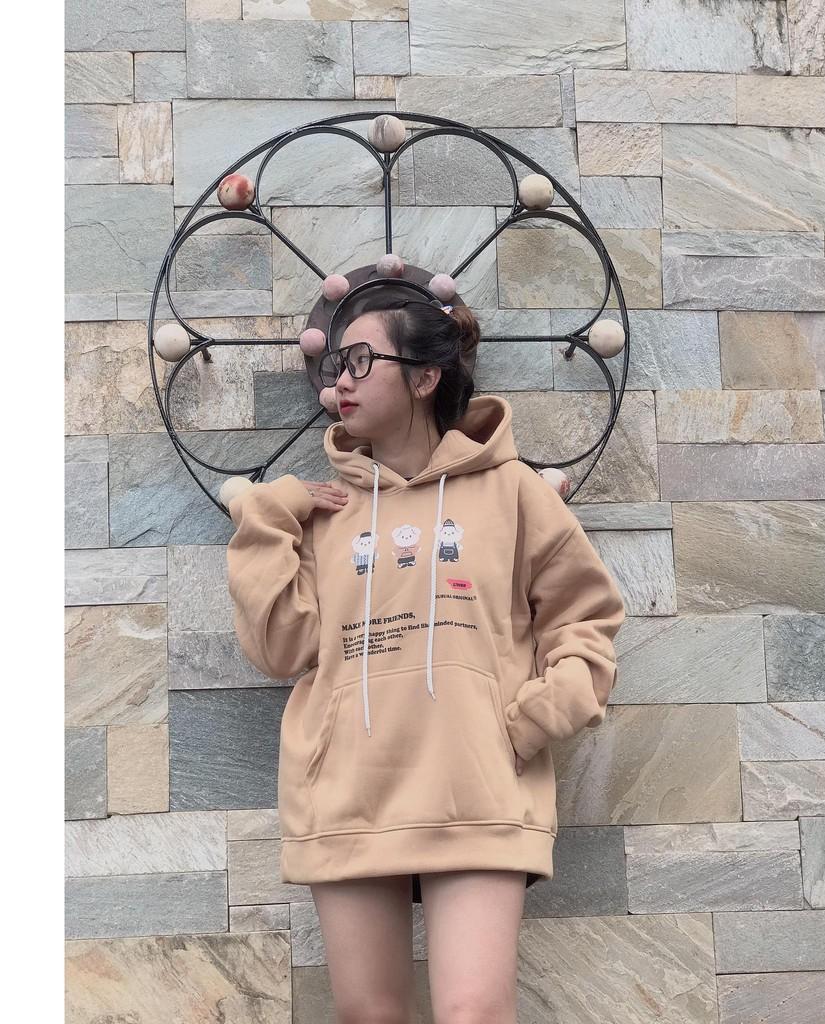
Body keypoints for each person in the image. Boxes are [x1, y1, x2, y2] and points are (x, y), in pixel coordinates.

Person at [225, 299, 626, 1022]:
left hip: (476, 785)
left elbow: (585, 617)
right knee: (370, 1016)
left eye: (361, 361)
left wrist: (534, 719)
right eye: (336, 363)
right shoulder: (324, 508)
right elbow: (281, 649)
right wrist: (269, 513)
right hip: (348, 790)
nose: (340, 381)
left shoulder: (513, 490)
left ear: (424, 377)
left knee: (473, 1012)